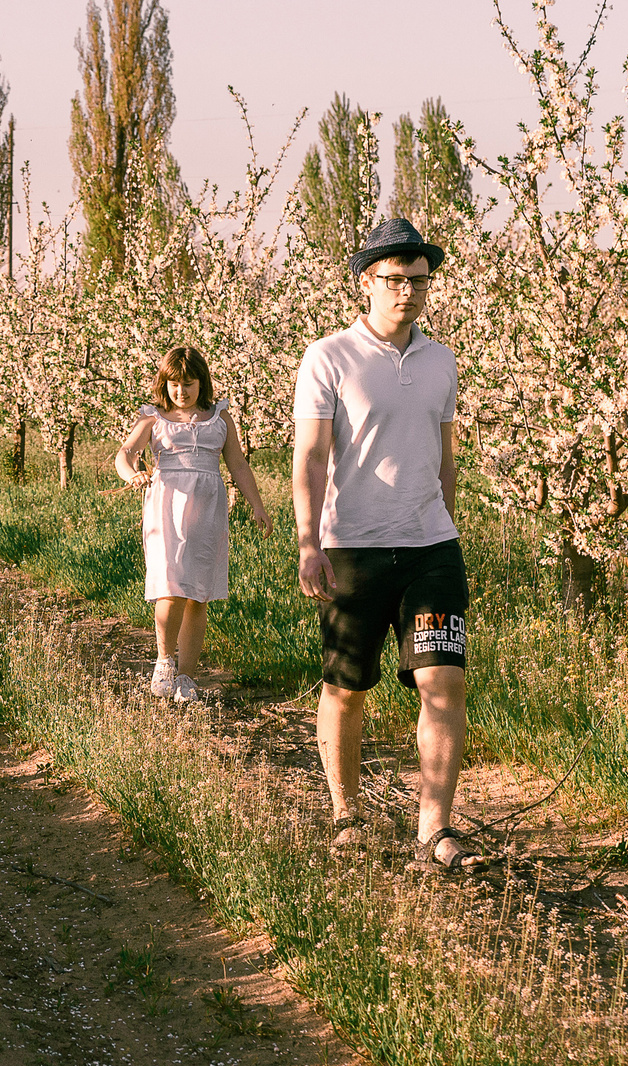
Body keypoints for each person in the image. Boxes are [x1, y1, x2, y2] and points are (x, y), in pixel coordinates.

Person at [291, 216, 473, 871]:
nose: (409, 293)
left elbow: (446, 455)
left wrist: (444, 525)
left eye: (420, 281)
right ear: (366, 282)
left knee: (443, 681)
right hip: (353, 550)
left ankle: (436, 829)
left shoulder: (440, 360)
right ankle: (347, 815)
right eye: (395, 280)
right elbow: (311, 456)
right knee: (346, 686)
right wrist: (310, 542)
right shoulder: (329, 357)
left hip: (430, 549)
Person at [112, 345, 271, 706]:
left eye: (188, 383)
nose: (180, 391)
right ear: (163, 384)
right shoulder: (153, 417)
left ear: (202, 383)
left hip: (207, 507)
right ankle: (165, 661)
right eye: (173, 384)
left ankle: (188, 676)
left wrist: (257, 505)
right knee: (171, 586)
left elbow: (238, 465)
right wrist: (133, 473)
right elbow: (125, 453)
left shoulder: (220, 418)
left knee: (198, 593)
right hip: (166, 506)